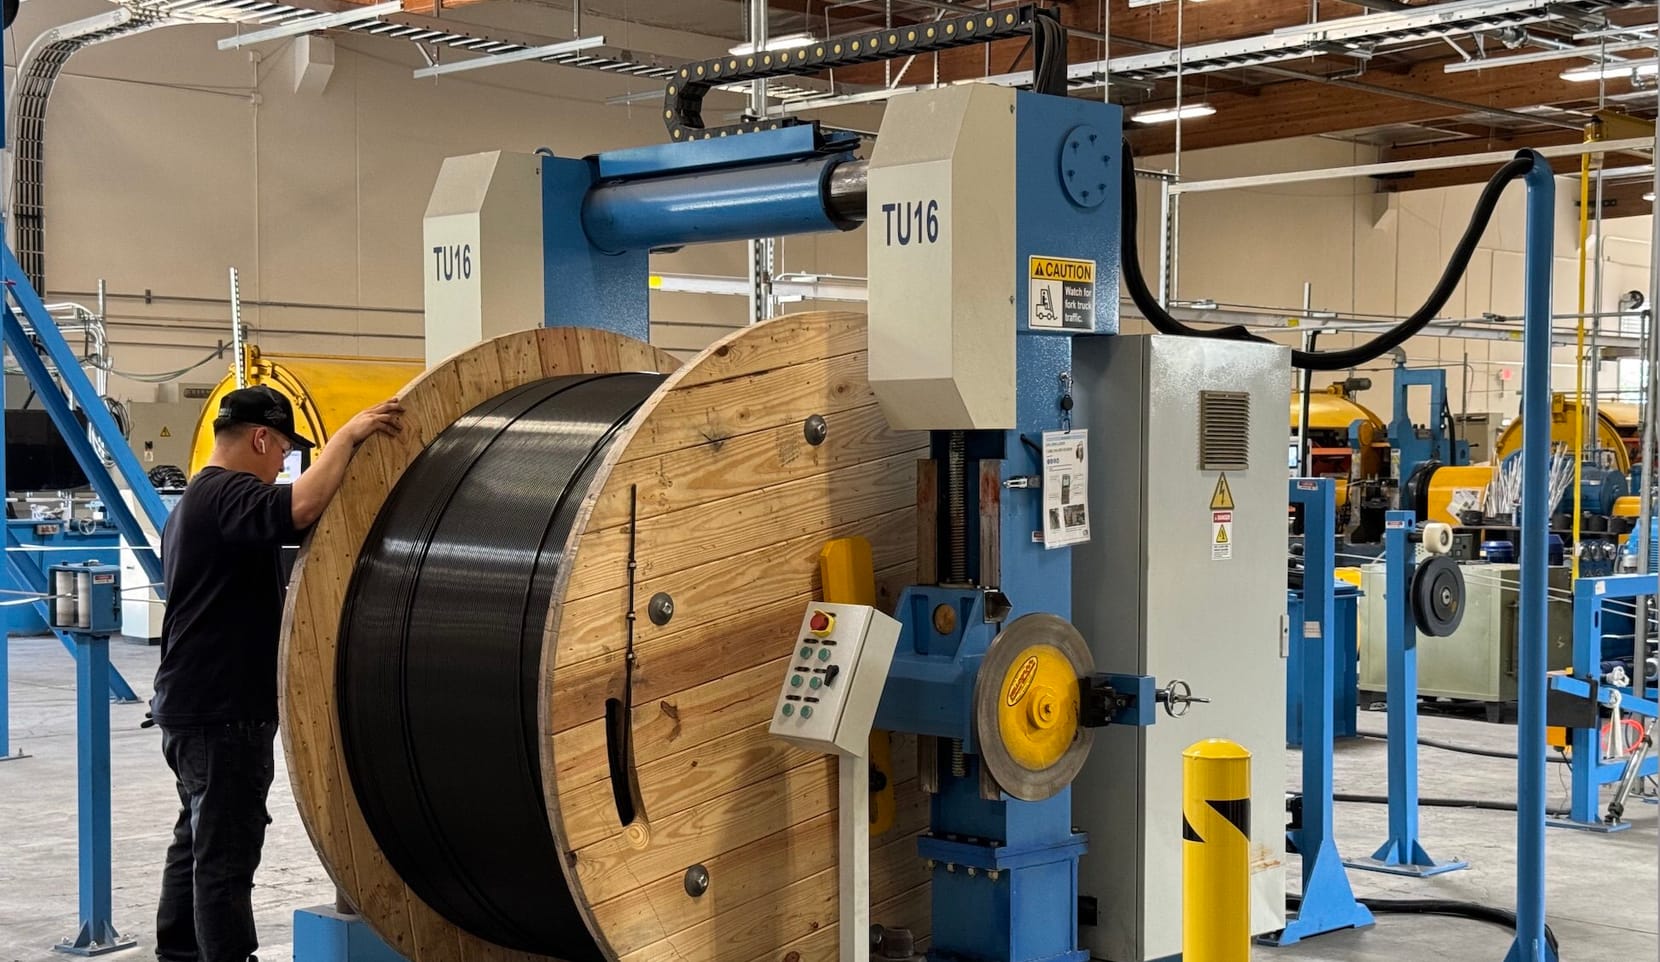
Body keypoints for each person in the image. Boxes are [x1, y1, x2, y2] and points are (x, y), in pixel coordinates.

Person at [151, 386, 402, 962]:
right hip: (223, 710)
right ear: (260, 437)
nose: (282, 465)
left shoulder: (193, 502)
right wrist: (350, 435)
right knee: (225, 854)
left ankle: (179, 955)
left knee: (195, 842)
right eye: (284, 451)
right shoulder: (226, 495)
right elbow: (302, 508)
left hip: (193, 704)